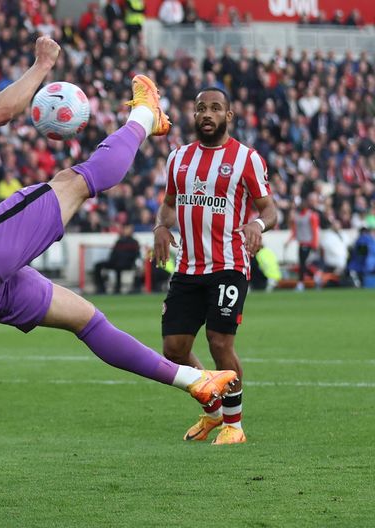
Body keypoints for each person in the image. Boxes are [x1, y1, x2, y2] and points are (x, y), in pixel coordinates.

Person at [0, 37, 239, 439]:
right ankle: (144, 116)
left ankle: (193, 381)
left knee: (85, 318)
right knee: (74, 181)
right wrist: (42, 64)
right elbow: (1, 112)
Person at [152, 87, 278, 445]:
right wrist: (161, 226)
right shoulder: (177, 158)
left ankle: (234, 425)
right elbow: (169, 204)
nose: (207, 114)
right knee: (174, 348)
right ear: (194, 115)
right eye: (201, 109)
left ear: (229, 116)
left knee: (220, 342)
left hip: (229, 265)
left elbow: (269, 209)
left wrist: (258, 224)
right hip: (188, 268)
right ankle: (212, 413)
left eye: (216, 108)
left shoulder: (246, 158)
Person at [92, 223, 141, 294]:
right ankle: (101, 288)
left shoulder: (134, 242)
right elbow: (113, 254)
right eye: (126, 228)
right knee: (98, 265)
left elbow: (137, 255)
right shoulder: (119, 241)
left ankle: (118, 288)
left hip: (127, 264)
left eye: (129, 228)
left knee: (119, 266)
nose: (127, 230)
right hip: (115, 262)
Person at [289, 194, 320, 290]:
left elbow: (314, 230)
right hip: (301, 242)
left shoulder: (311, 215)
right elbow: (295, 230)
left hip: (308, 242)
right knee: (303, 264)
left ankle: (301, 283)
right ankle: (315, 276)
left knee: (303, 264)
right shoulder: (297, 216)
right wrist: (289, 240)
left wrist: (315, 243)